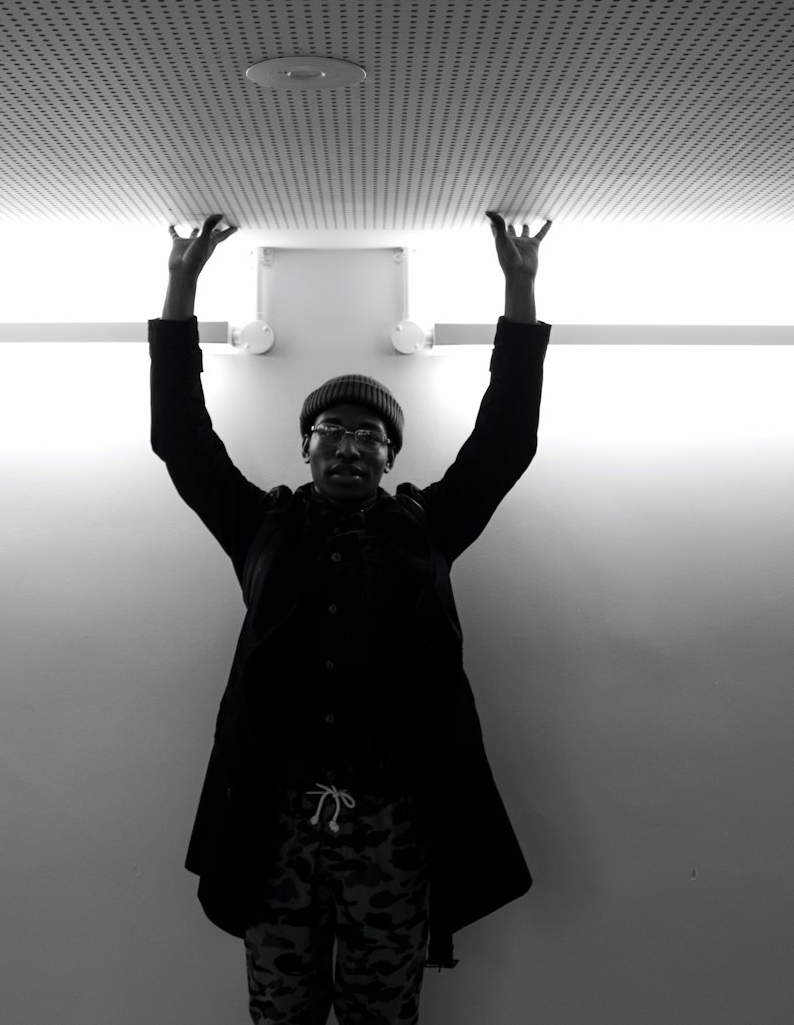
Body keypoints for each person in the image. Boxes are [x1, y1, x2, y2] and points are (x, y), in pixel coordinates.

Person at [149, 211, 552, 1025]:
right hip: (278, 818)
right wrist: (181, 287)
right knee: (281, 1006)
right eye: (330, 430)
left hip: (394, 815)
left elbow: (505, 440)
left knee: (383, 1008)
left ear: (389, 457)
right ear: (305, 449)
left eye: (368, 434)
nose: (347, 445)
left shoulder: (427, 530)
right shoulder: (262, 529)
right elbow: (182, 440)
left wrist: (520, 290)